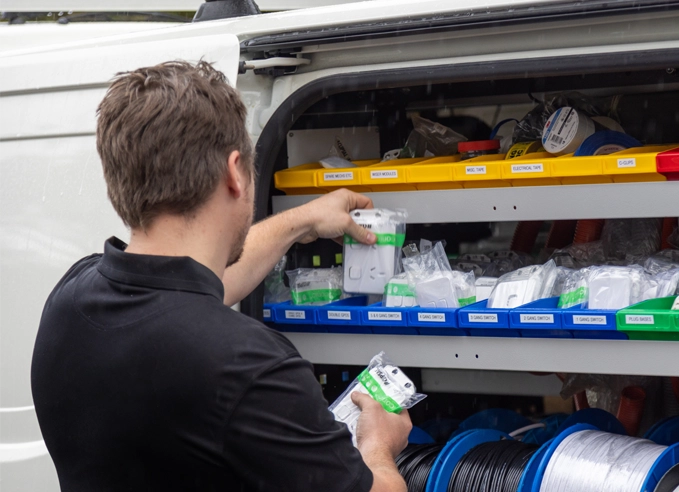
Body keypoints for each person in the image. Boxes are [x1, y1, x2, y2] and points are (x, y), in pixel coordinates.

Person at [31, 60, 411, 492]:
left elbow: (194, 292)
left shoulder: (71, 298)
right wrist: (378, 447)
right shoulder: (251, 366)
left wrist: (303, 220)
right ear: (234, 171)